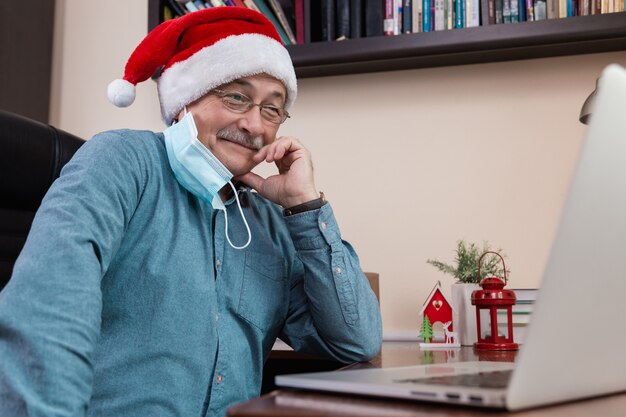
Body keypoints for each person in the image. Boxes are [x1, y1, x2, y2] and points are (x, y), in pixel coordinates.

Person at [0, 7, 382, 417]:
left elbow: (356, 341)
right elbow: (48, 309)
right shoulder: (122, 160)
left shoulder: (269, 221)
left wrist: (306, 207)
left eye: (272, 109)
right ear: (185, 99)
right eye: (236, 96)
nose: (255, 124)